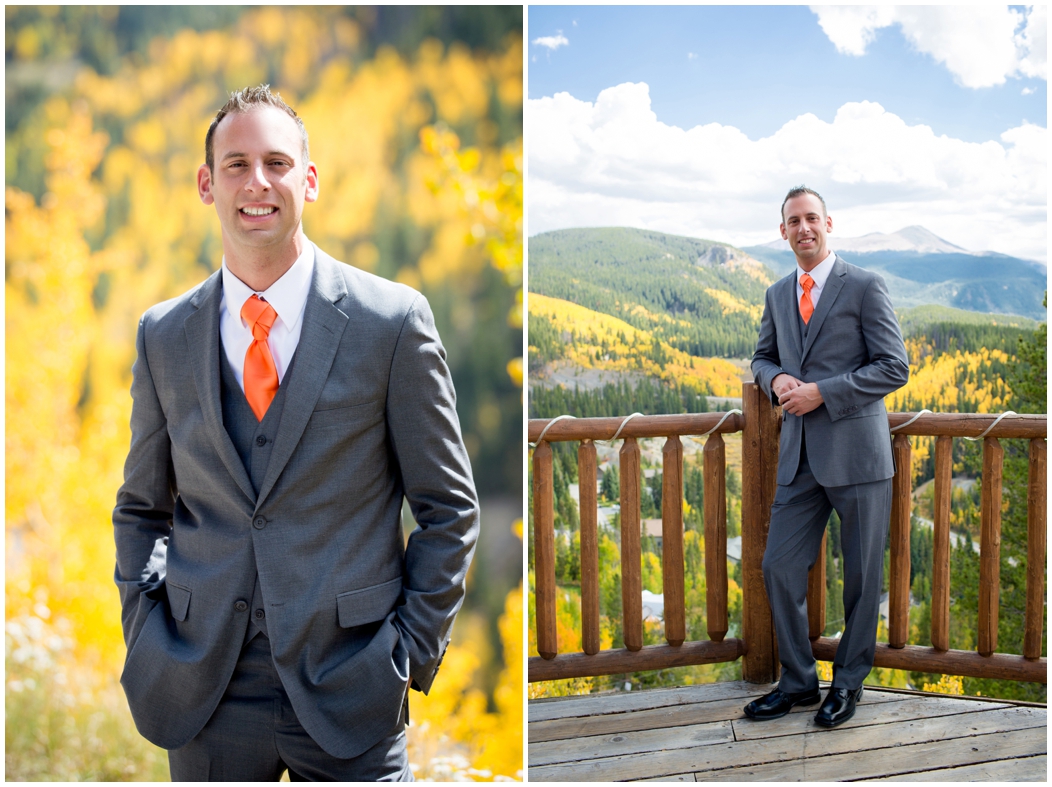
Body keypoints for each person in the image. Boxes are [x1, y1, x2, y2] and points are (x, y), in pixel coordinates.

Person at [112, 85, 480, 780]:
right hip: (203, 688)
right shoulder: (163, 334)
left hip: (353, 686)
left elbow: (449, 509)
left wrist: (405, 654)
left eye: (278, 162)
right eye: (236, 164)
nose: (258, 182)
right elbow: (141, 507)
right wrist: (146, 628)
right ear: (205, 183)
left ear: (308, 180)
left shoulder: (392, 323)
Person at [745, 186, 909, 728]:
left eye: (811, 218)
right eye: (793, 221)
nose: (803, 228)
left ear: (828, 223)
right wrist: (779, 380)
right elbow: (762, 359)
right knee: (778, 567)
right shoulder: (776, 293)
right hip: (798, 460)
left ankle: (848, 684)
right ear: (783, 230)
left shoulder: (864, 285)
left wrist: (823, 391)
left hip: (858, 457)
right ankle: (797, 683)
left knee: (862, 578)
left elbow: (894, 367)